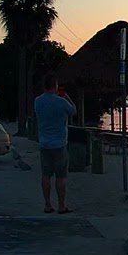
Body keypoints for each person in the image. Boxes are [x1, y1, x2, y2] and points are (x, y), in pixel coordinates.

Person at [33, 73, 76, 214]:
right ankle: (61, 205)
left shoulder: (37, 101)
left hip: (44, 143)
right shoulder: (61, 102)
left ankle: (47, 204)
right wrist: (66, 97)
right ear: (55, 86)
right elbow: (73, 111)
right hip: (59, 144)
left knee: (46, 175)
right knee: (61, 176)